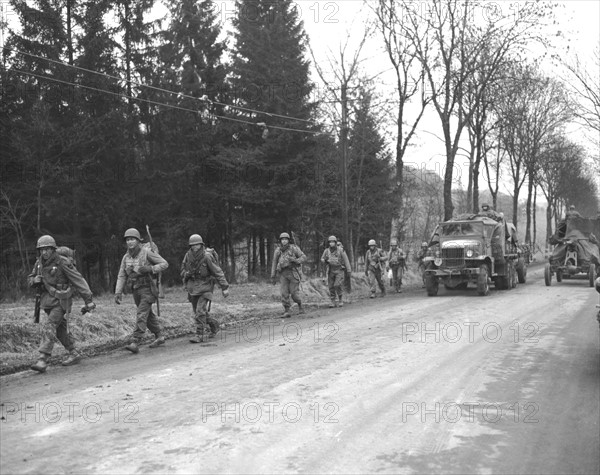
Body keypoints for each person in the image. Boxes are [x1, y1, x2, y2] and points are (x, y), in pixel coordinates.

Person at [28, 235, 96, 373]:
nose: (44, 252)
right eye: (42, 249)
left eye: (47, 249)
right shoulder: (39, 263)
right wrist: (34, 280)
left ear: (53, 249)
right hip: (47, 301)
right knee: (60, 329)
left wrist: (88, 300)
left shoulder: (62, 262)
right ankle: (74, 352)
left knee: (50, 325)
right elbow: (30, 277)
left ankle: (43, 359)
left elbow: (79, 280)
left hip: (61, 301)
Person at [114, 228, 168, 354]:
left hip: (148, 288)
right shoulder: (126, 257)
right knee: (147, 315)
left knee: (141, 313)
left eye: (132, 239)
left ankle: (135, 341)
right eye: (127, 240)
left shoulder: (147, 253)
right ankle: (160, 336)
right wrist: (118, 292)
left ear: (138, 241)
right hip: (135, 289)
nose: (130, 242)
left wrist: (150, 268)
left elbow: (164, 264)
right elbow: (121, 275)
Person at [181, 234, 230, 343]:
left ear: (201, 244)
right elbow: (182, 270)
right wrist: (186, 276)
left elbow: (217, 271)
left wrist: (224, 287)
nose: (195, 247)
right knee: (199, 312)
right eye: (192, 245)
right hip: (193, 288)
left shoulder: (207, 256)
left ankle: (199, 335)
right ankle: (214, 325)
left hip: (206, 287)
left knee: (199, 311)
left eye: (197, 244)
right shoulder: (187, 256)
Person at [271, 232, 306, 318]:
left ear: (288, 240)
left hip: (293, 273)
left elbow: (303, 257)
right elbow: (274, 262)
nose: (284, 241)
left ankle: (300, 304)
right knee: (284, 293)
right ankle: (287, 310)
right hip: (283, 274)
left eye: (286, 239)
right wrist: (273, 276)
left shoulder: (294, 249)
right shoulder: (278, 251)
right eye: (282, 240)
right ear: (280, 241)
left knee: (294, 294)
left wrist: (296, 261)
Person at [321, 235, 351, 308]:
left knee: (337, 285)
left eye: (333, 242)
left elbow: (346, 260)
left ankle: (340, 299)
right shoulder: (326, 251)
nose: (331, 243)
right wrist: (325, 260)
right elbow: (322, 258)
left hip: (339, 270)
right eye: (330, 242)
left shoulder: (340, 250)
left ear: (335, 242)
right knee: (331, 286)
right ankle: (333, 301)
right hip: (331, 270)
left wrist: (349, 270)